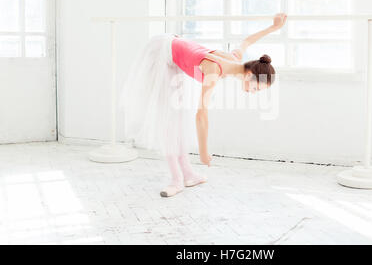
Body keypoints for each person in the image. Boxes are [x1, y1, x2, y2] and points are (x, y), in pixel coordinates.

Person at [120, 13, 288, 197]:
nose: (254, 92)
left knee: (178, 115)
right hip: (162, 51)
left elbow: (248, 41)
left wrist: (274, 27)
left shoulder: (235, 58)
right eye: (257, 88)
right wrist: (203, 152)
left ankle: (188, 174)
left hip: (177, 53)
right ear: (249, 75)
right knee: (170, 118)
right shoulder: (213, 71)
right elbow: (201, 116)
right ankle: (176, 179)